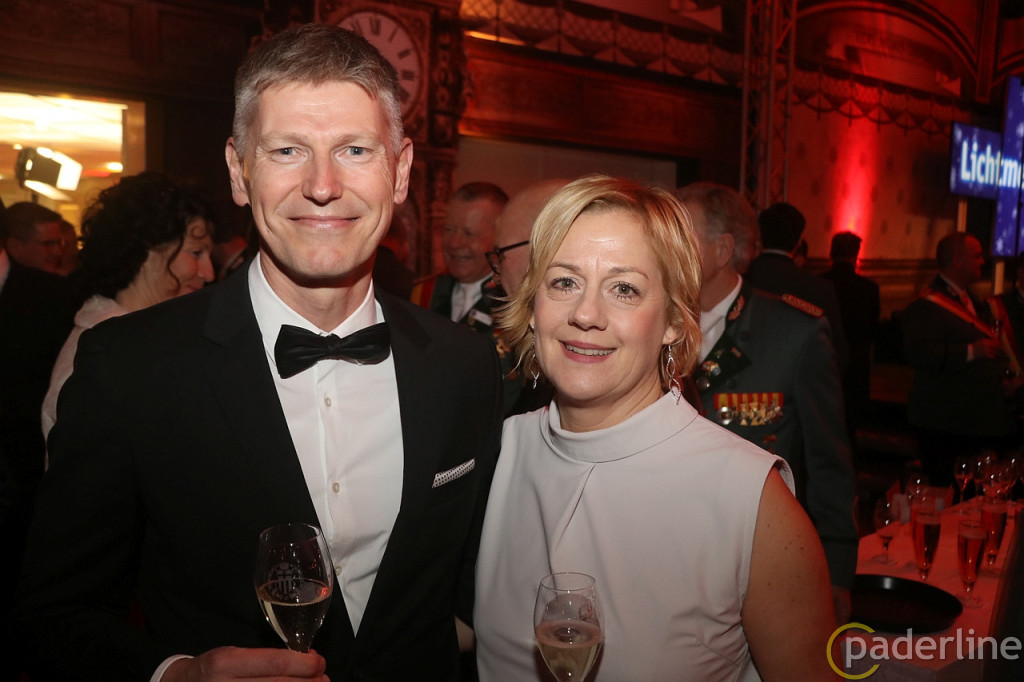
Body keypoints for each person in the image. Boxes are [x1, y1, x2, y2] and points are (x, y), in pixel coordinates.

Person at [13, 23, 502, 682]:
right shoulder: (129, 367)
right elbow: (53, 615)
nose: (322, 185)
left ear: (401, 171)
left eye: (356, 149)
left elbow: (476, 586)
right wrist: (178, 674)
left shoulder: (464, 366)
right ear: (239, 171)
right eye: (287, 151)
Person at [475, 175, 835, 681]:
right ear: (533, 306)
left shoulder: (749, 500)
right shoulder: (496, 455)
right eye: (564, 282)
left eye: (624, 288)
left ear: (673, 322)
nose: (585, 314)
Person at [676, 182, 857, 622]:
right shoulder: (647, 321)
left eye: (680, 236)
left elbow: (828, 462)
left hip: (755, 561)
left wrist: (836, 573)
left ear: (722, 250)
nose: (665, 247)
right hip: (668, 547)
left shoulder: (793, 332)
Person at [41, 171, 218, 441]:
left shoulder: (137, 337)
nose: (209, 273)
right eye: (196, 252)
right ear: (147, 249)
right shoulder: (103, 354)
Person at [0, 201, 76, 682]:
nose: (58, 252)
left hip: (30, 484)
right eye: (48, 243)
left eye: (59, 243)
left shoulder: (55, 295)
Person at [902, 232, 1020, 486]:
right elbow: (919, 352)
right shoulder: (926, 305)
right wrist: (970, 352)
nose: (982, 262)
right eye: (976, 256)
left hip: (980, 423)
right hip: (947, 424)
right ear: (957, 260)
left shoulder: (975, 302)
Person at [411, 182, 521, 413]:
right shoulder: (423, 294)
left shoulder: (516, 301)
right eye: (449, 230)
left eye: (468, 233)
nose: (454, 243)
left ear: (499, 238)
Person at [746, 202, 848, 369]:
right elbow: (835, 350)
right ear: (799, 241)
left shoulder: (741, 276)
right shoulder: (818, 288)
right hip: (796, 377)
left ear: (759, 236)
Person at [822, 231, 881, 439]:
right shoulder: (868, 288)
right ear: (856, 254)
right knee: (850, 427)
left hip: (824, 362)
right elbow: (873, 329)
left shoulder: (818, 284)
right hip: (856, 366)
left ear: (831, 252)